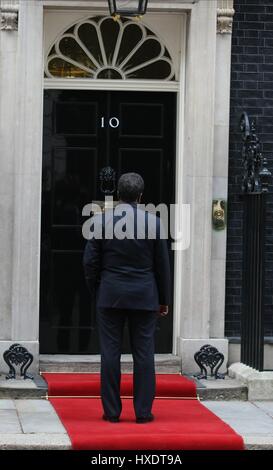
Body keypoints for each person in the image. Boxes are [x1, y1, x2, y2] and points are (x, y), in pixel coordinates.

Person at [83, 172, 171, 423]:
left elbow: (90, 262)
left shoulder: (101, 221)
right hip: (144, 295)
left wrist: (96, 291)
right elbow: (162, 266)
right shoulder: (154, 223)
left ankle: (111, 412)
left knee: (110, 353)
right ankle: (143, 412)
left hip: (110, 294)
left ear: (119, 195)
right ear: (141, 196)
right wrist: (163, 299)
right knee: (144, 353)